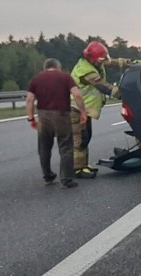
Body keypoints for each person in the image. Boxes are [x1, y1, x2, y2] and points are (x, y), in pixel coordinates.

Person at [69, 41, 135, 179]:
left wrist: (131, 62)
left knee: (85, 137)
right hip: (74, 109)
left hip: (83, 110)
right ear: (93, 59)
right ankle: (78, 169)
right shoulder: (85, 71)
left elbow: (111, 62)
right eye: (100, 60)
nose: (102, 62)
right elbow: (104, 87)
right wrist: (125, 94)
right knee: (79, 140)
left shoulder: (94, 62)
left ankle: (83, 165)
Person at [26, 58, 88, 189]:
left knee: (44, 147)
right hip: (61, 115)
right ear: (58, 67)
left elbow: (30, 100)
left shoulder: (37, 79)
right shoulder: (65, 77)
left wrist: (31, 118)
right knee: (65, 146)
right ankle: (67, 179)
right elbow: (77, 95)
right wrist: (83, 112)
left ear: (45, 68)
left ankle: (47, 175)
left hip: (43, 116)